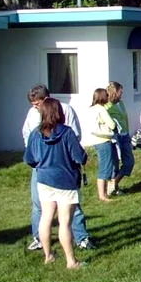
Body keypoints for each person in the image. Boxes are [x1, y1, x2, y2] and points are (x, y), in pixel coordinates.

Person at [21, 84, 95, 251]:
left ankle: (80, 237)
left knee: (69, 211)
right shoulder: (34, 121)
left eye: (38, 103)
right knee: (43, 209)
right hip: (48, 171)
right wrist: (38, 160)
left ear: (47, 100)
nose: (36, 107)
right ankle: (42, 241)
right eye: (33, 104)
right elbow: (28, 139)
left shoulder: (66, 112)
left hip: (60, 169)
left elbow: (75, 137)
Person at [105, 81, 134, 196]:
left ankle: (114, 182)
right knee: (115, 163)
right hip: (115, 136)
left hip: (125, 135)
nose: (122, 94)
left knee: (129, 162)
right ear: (115, 92)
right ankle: (114, 188)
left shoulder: (121, 103)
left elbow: (124, 119)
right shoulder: (107, 105)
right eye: (120, 92)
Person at [89, 88, 117, 202]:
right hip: (104, 139)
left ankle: (103, 194)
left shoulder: (91, 109)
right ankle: (103, 195)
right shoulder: (101, 109)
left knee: (104, 166)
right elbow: (112, 124)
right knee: (105, 167)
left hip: (95, 140)